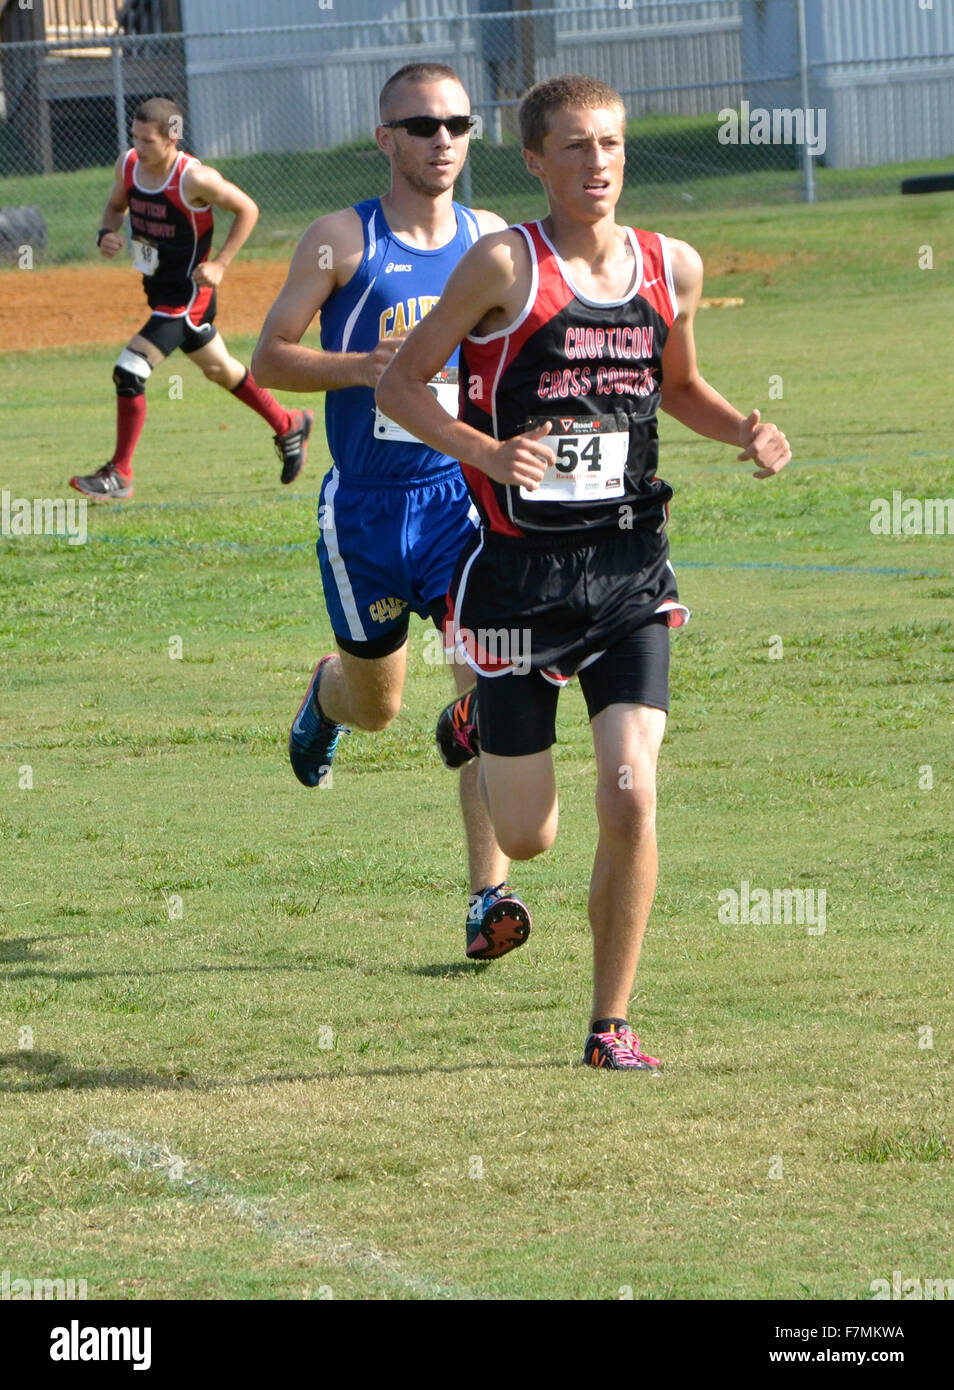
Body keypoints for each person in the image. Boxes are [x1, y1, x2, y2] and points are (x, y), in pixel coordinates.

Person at [376, 74, 791, 1069]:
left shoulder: (669, 266)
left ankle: (610, 1023)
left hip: (628, 576)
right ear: (533, 160)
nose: (596, 163)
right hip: (517, 587)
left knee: (632, 792)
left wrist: (745, 428)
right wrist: (483, 451)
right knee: (527, 839)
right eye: (573, 147)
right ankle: (476, 721)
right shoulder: (501, 265)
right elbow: (400, 384)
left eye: (609, 144)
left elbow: (679, 385)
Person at [251, 63, 531, 960]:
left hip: (461, 500)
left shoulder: (491, 238)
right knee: (378, 705)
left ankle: (490, 899)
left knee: (481, 691)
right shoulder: (343, 240)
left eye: (455, 123)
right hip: (366, 513)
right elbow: (269, 360)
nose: (441, 139)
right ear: (385, 139)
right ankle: (323, 699)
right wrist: (365, 367)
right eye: (420, 126)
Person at [70, 97, 311, 501]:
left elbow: (247, 209)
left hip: (189, 294)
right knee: (220, 369)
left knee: (130, 371)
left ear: (172, 138)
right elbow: (114, 208)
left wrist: (221, 264)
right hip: (160, 291)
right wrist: (105, 233)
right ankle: (289, 424)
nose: (138, 148)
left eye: (148, 140)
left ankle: (120, 474)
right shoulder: (128, 165)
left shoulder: (194, 179)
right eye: (135, 137)